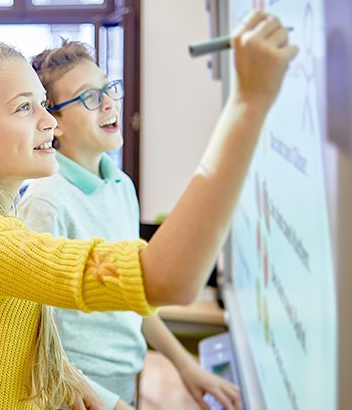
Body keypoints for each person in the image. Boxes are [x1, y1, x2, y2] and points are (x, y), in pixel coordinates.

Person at [0, 10, 297, 410]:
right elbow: (168, 278)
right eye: (23, 108)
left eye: (43, 103)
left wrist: (84, 386)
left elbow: (20, 347)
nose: (49, 121)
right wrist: (248, 104)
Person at [18, 40, 241, 410]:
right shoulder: (45, 203)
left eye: (108, 88)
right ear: (53, 123)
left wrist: (185, 366)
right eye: (90, 96)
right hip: (75, 393)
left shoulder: (121, 184)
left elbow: (135, 295)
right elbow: (35, 340)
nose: (108, 103)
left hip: (126, 379)